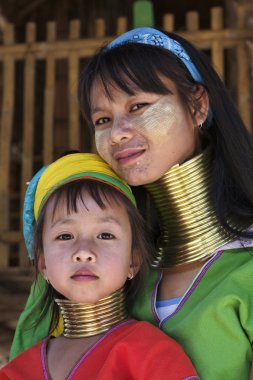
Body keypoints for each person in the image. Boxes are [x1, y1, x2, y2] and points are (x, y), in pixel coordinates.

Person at [10, 26, 253, 379]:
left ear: (198, 105)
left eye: (138, 106)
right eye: (103, 120)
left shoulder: (245, 269)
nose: (118, 132)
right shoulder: (79, 265)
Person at [1, 153, 198, 379]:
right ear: (43, 262)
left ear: (133, 260)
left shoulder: (152, 354)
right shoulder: (17, 371)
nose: (84, 252)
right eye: (65, 236)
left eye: (105, 235)